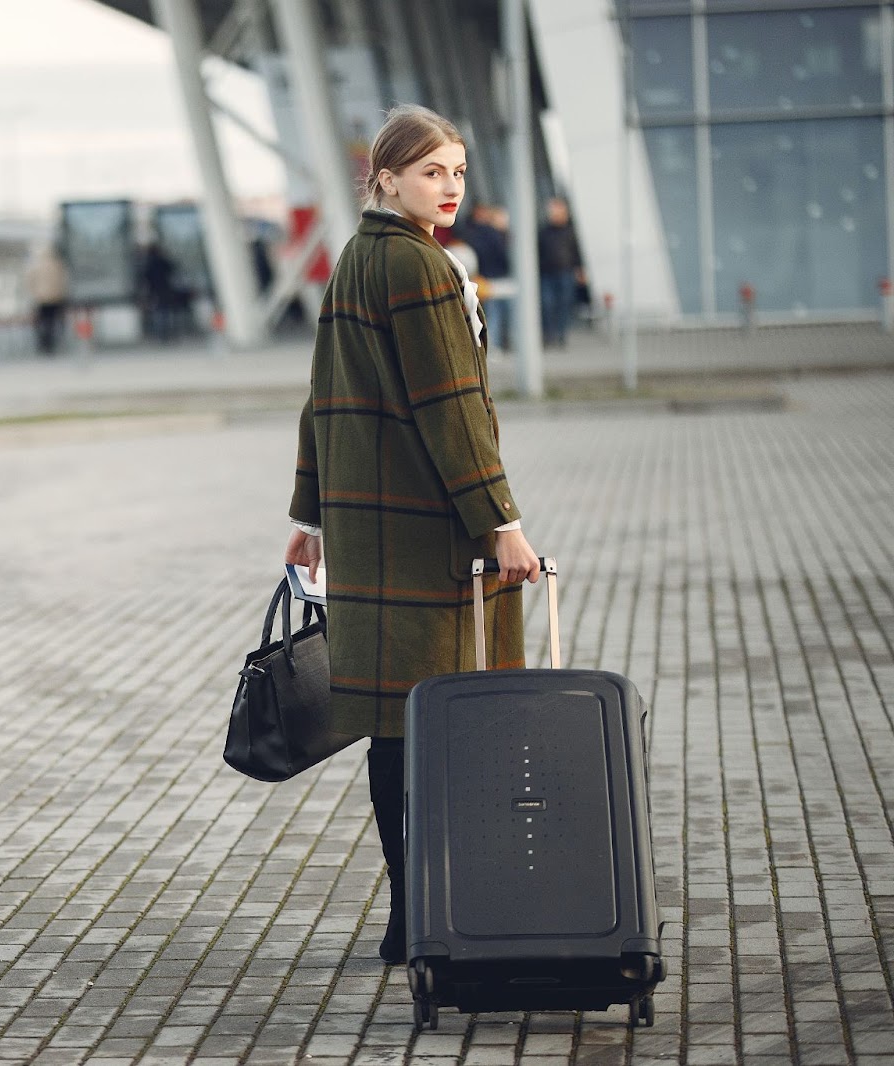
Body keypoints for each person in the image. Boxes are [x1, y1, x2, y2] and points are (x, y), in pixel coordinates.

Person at [283, 104, 541, 965]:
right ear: (386, 176)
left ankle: (408, 913)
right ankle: (439, 912)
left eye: (459, 172)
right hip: (431, 532)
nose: (451, 187)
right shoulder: (421, 269)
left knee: (398, 722)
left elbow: (323, 394)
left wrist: (308, 515)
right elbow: (453, 409)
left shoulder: (357, 259)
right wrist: (499, 521)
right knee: (447, 717)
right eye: (433, 171)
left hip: (369, 527)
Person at [460, 203, 512, 352]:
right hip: (494, 276)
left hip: (486, 276)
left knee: (493, 312)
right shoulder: (492, 234)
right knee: (497, 313)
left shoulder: (471, 233)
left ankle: (494, 344)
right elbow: (502, 254)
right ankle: (497, 343)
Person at [538, 197, 584, 348]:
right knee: (547, 304)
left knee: (564, 305)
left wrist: (580, 270)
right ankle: (549, 335)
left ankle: (561, 335)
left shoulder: (570, 231)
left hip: (565, 273)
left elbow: (576, 251)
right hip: (547, 274)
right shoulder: (544, 231)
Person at [25, 244, 69, 356]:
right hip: (56, 298)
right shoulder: (58, 264)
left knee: (43, 322)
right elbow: (64, 280)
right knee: (54, 322)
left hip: (41, 299)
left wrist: (34, 292)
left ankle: (44, 344)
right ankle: (53, 344)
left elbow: (30, 280)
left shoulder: (36, 265)